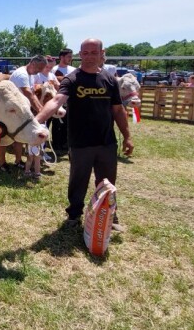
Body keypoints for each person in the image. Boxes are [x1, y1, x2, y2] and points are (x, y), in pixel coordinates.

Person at [36, 38, 133, 232]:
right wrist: (37, 120)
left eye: (93, 53)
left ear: (101, 54)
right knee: (78, 181)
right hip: (80, 142)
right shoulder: (73, 79)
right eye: (85, 53)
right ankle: (74, 215)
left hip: (106, 142)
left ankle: (110, 216)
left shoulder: (110, 80)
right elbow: (56, 101)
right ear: (80, 55)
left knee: (107, 182)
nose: (89, 57)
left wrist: (127, 136)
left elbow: (118, 110)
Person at [8, 55, 48, 168]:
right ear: (33, 63)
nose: (39, 71)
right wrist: (41, 110)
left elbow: (33, 93)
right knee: (19, 137)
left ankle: (21, 159)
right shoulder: (22, 75)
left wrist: (41, 109)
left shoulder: (30, 74)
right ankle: (18, 161)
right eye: (39, 68)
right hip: (15, 110)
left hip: (21, 109)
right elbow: (28, 93)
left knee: (22, 135)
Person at [50, 49, 77, 156]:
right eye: (68, 56)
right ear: (61, 57)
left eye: (71, 56)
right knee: (56, 123)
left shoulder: (74, 70)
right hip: (57, 100)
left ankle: (65, 143)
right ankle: (56, 144)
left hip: (70, 100)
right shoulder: (53, 70)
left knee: (67, 122)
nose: (71, 58)